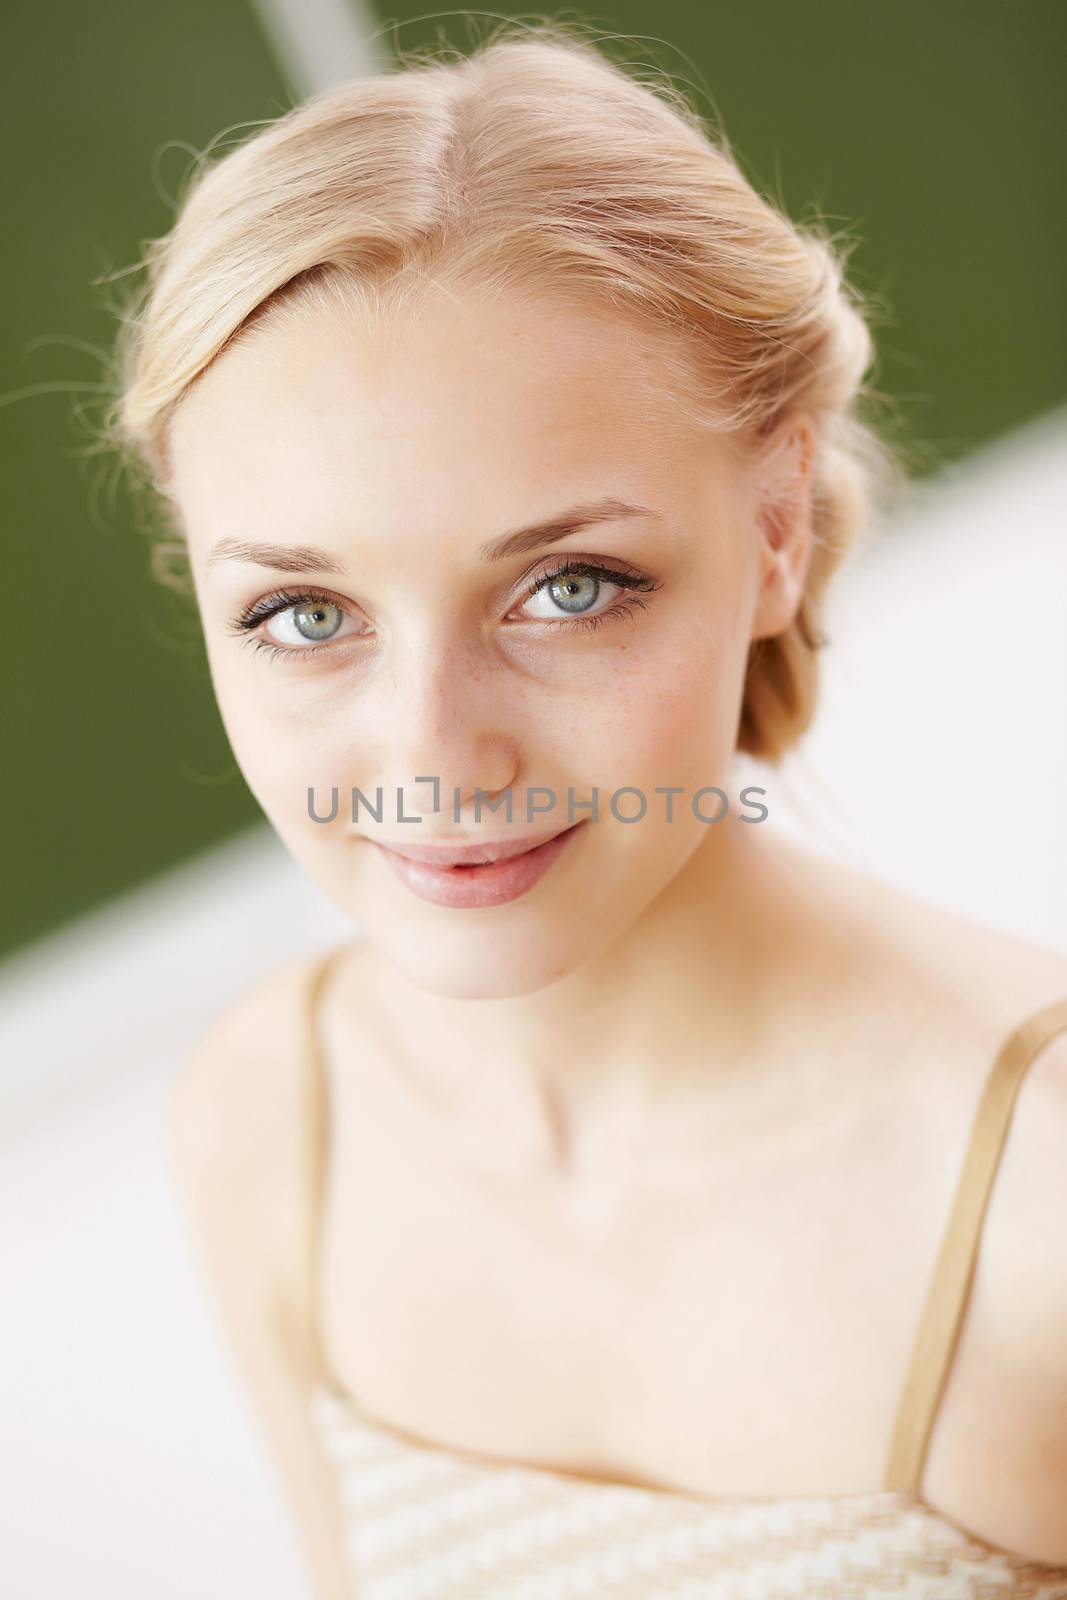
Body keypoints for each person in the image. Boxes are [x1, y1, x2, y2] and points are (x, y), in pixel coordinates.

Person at [104, 21, 1067, 1599]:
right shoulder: (277, 1119)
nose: (437, 754)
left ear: (772, 532)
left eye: (568, 588)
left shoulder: (1041, 1208)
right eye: (300, 614)